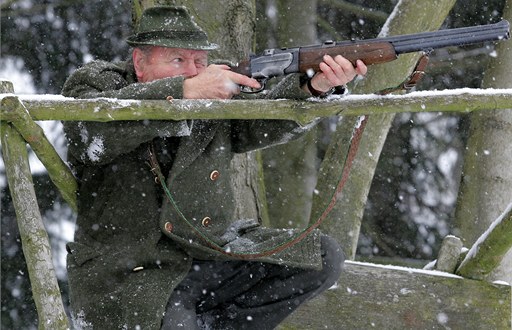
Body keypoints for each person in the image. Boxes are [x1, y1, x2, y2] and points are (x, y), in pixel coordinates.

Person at [62, 6, 367, 329]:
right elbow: (91, 131)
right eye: (178, 60)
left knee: (320, 256)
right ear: (140, 62)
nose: (193, 72)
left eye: (199, 62)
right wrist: (184, 92)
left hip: (210, 255)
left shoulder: (212, 99)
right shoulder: (97, 83)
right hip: (133, 271)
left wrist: (314, 86)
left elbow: (264, 120)